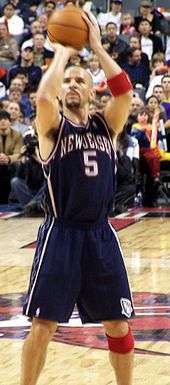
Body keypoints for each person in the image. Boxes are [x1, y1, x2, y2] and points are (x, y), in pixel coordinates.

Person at [21, 10, 134, 385]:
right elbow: (41, 98)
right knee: (44, 324)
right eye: (66, 80)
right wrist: (64, 52)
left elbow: (124, 91)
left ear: (91, 91)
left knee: (118, 323)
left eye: (79, 81)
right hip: (62, 233)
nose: (71, 84)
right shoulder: (53, 128)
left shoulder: (107, 125)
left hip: (100, 234)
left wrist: (98, 47)